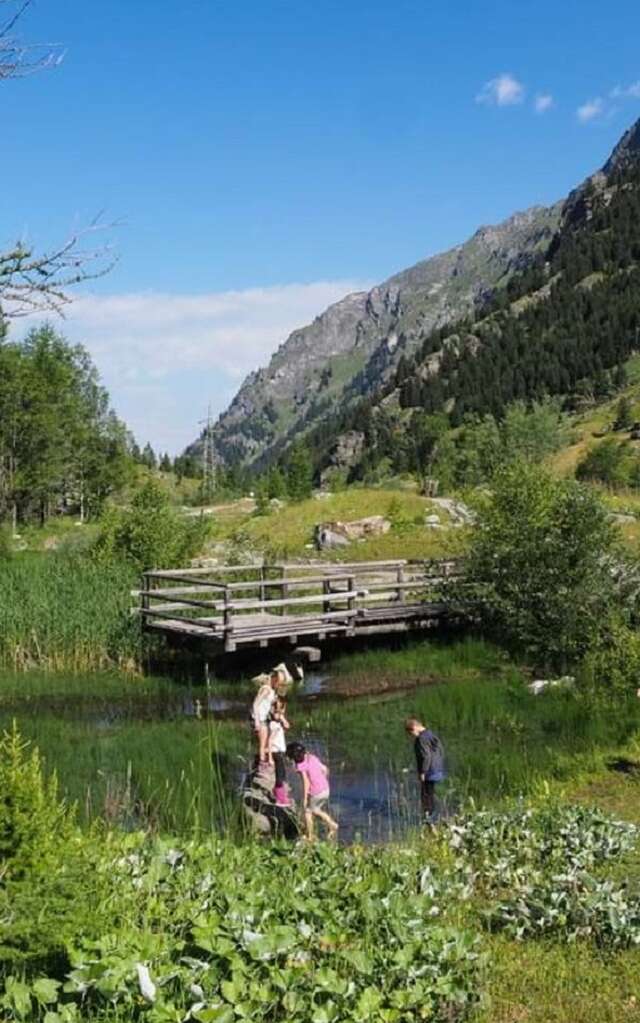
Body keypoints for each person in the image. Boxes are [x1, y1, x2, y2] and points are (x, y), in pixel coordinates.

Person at [286, 741, 338, 840]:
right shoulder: (312, 757)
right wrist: (322, 781)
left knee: (307, 811)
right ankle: (332, 825)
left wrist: (305, 798)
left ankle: (310, 836)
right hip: (325, 789)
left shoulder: (300, 766)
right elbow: (325, 769)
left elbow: (306, 782)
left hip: (316, 792)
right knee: (316, 809)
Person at [404, 717, 446, 822]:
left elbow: (426, 756)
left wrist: (423, 772)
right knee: (430, 792)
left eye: (411, 733)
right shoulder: (431, 734)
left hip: (429, 771)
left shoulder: (421, 739)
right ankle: (431, 816)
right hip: (437, 768)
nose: (412, 736)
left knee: (426, 794)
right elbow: (440, 749)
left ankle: (428, 818)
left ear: (414, 728)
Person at [251, 671, 279, 763]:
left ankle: (263, 760)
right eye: (278, 681)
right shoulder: (266, 690)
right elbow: (255, 704)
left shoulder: (270, 690)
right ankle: (262, 763)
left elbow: (267, 705)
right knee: (263, 744)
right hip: (260, 719)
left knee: (265, 742)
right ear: (274, 680)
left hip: (263, 718)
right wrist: (257, 721)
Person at [269, 696, 291, 804]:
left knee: (283, 774)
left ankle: (279, 793)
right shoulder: (274, 725)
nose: (280, 714)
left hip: (281, 752)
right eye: (277, 712)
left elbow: (287, 726)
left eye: (282, 712)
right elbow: (269, 741)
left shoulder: (279, 723)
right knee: (280, 776)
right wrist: (270, 758)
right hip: (276, 753)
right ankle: (279, 799)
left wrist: (282, 717)